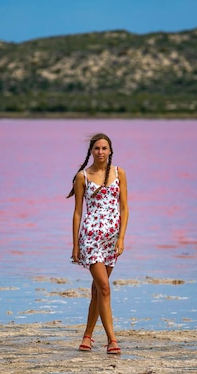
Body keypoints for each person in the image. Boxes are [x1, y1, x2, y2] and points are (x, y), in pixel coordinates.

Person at [68, 133, 129, 354]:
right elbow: (77, 213)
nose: (100, 152)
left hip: (112, 240)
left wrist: (121, 238)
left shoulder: (119, 173)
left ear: (110, 150)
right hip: (91, 238)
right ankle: (112, 340)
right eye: (97, 148)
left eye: (104, 148)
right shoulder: (82, 176)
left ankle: (87, 336)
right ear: (91, 151)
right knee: (104, 288)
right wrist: (75, 245)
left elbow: (124, 208)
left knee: (97, 290)